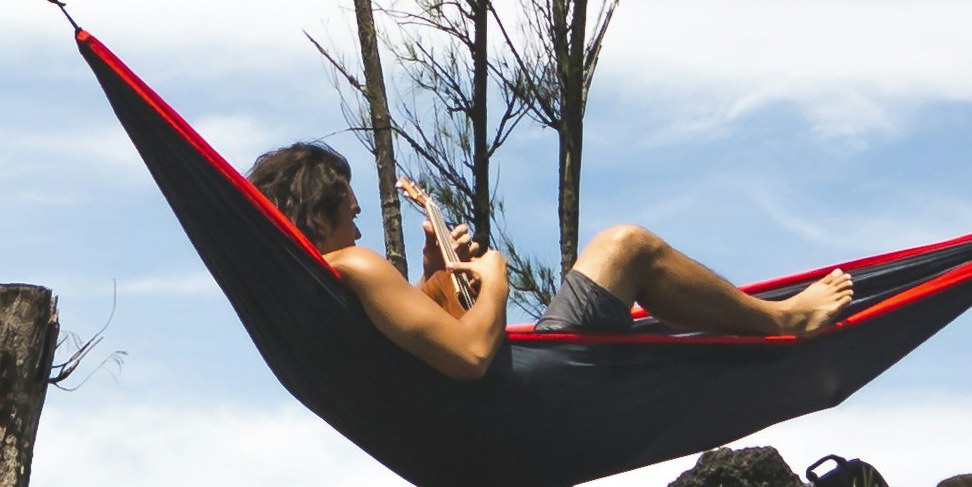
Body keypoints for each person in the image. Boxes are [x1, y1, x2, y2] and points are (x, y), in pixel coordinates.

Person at [245, 140, 854, 382]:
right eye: (349, 215)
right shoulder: (354, 265)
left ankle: (747, 318)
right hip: (531, 388)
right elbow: (471, 357)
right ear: (318, 218)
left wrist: (436, 278)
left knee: (652, 301)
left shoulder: (323, 291)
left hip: (492, 416)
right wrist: (496, 281)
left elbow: (424, 349)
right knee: (626, 246)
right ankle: (782, 322)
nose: (358, 227)